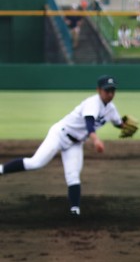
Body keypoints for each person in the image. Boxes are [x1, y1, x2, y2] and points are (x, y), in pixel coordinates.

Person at [0, 76, 127, 216]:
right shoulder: (92, 103)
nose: (110, 94)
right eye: (107, 90)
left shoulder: (111, 109)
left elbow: (118, 123)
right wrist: (96, 140)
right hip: (59, 135)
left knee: (73, 176)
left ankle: (75, 211)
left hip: (75, 144)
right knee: (35, 163)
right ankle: (1, 169)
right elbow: (89, 123)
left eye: (112, 91)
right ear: (98, 90)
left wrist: (127, 127)